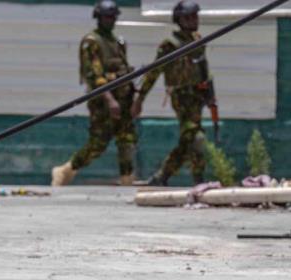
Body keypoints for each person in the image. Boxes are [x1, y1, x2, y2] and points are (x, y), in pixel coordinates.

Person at [51, 0, 139, 186]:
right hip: (103, 102)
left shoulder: (117, 42)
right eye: (107, 17)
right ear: (98, 18)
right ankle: (66, 170)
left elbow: (123, 70)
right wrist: (110, 100)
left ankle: (127, 179)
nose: (111, 20)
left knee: (127, 141)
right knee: (98, 144)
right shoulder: (92, 42)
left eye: (113, 17)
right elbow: (94, 76)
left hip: (123, 100)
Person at [132, 0, 215, 186]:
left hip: (197, 96)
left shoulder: (197, 40)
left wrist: (210, 95)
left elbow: (204, 69)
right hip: (181, 96)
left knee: (190, 141)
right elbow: (153, 73)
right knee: (195, 137)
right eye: (188, 17)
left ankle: (165, 177)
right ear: (179, 20)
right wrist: (140, 99)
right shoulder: (170, 44)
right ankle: (191, 179)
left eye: (195, 16)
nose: (194, 20)